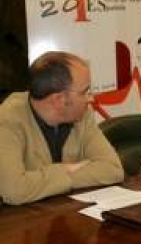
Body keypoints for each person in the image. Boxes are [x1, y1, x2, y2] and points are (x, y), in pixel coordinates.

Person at [0, 51, 124, 205]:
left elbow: (113, 170)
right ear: (59, 99)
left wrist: (42, 181)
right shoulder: (8, 119)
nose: (91, 98)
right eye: (85, 92)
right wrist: (65, 169)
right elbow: (14, 191)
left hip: (66, 215)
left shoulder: (83, 115)